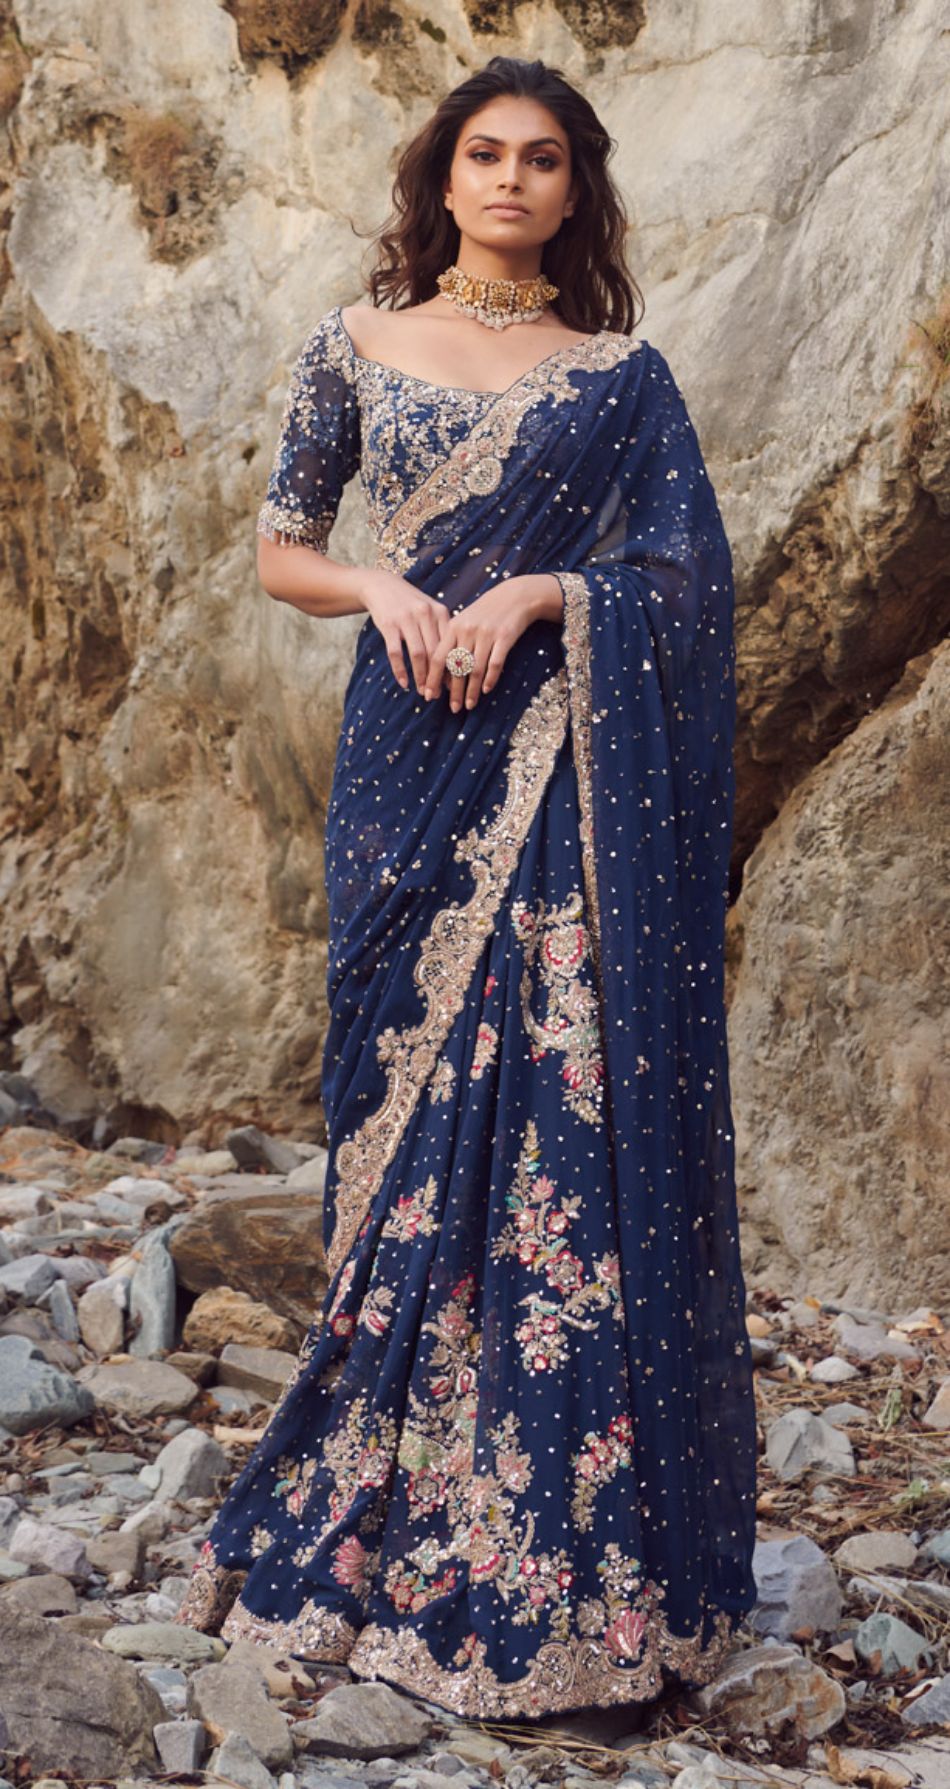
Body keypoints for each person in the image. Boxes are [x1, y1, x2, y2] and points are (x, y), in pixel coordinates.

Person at [176, 53, 759, 1725]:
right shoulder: (352, 345)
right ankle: (375, 1500)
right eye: (484, 152)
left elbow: (685, 580)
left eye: (543, 157)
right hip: (404, 761)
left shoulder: (622, 379)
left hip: (561, 776)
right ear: (442, 178)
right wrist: (379, 584)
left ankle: (571, 1561)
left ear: (577, 191)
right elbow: (283, 548)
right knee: (400, 1112)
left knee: (562, 1114)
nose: (510, 177)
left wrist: (548, 595)